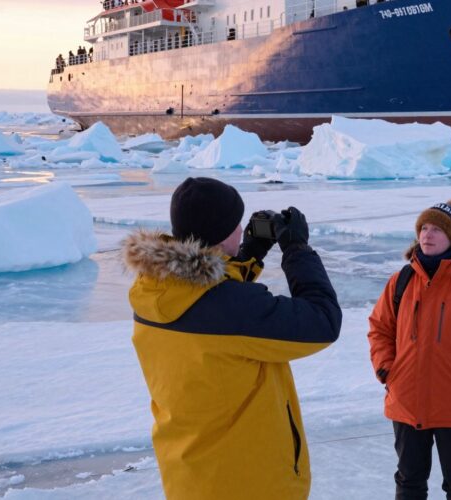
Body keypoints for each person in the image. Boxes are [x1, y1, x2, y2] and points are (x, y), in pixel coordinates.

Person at [123, 177, 342, 499]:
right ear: (221, 232)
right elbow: (322, 322)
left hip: (190, 477)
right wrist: (297, 251)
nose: (240, 230)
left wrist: (251, 252)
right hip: (249, 483)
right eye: (235, 225)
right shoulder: (229, 308)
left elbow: (220, 310)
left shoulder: (154, 288)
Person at [368, 199, 451, 500]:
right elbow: (380, 329)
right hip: (406, 401)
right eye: (424, 228)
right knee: (409, 481)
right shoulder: (401, 281)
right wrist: (387, 371)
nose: (427, 235)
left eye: (437, 229)